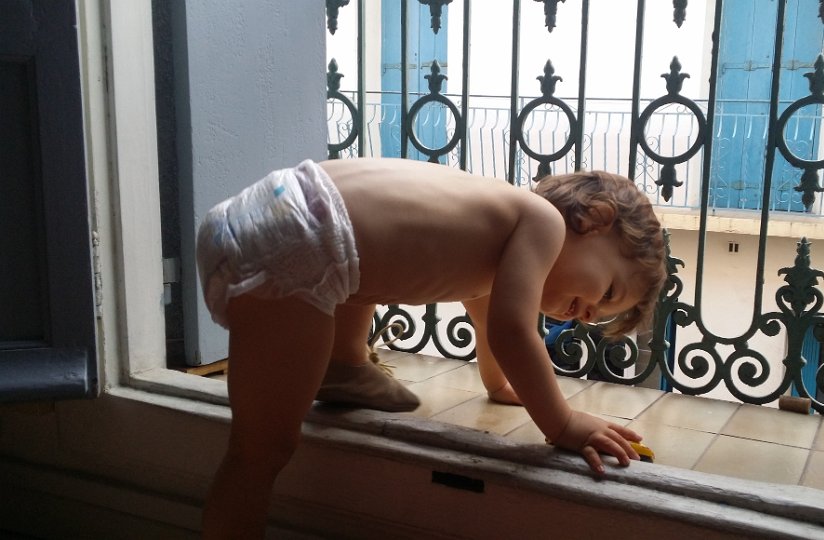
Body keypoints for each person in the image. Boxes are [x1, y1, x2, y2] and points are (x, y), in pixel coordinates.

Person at [196, 157, 666, 537]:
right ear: (596, 219)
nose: (589, 315)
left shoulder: (494, 221)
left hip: (282, 210)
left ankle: (345, 363)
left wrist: (498, 385)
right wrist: (562, 423)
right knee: (261, 450)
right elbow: (511, 331)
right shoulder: (543, 223)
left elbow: (487, 322)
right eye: (607, 292)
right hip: (296, 239)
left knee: (356, 269)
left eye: (600, 316)